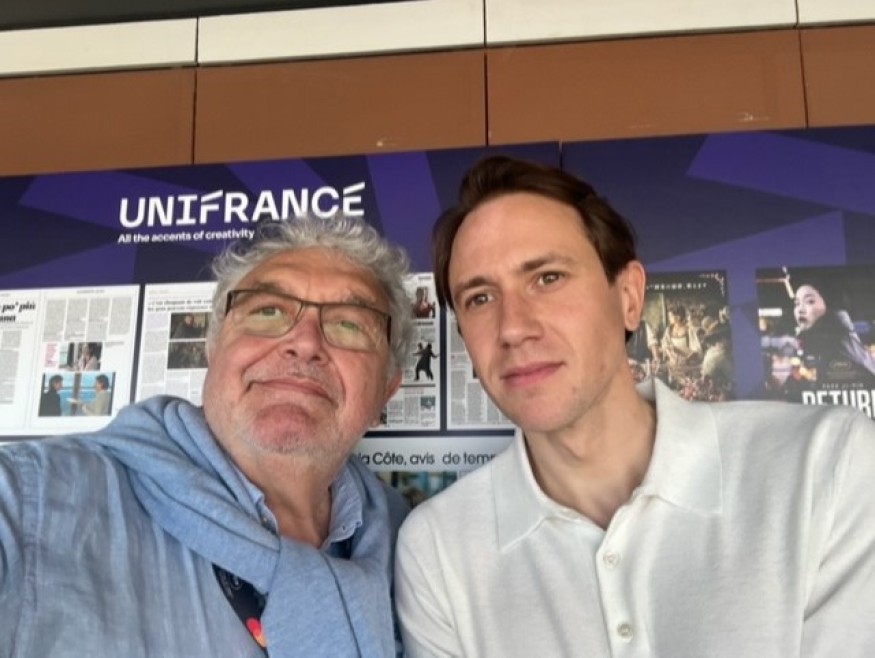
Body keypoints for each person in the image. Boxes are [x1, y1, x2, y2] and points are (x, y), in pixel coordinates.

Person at [394, 155, 875, 656]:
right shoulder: (437, 549)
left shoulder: (824, 465)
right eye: (479, 298)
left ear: (628, 297)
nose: (513, 327)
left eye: (548, 278)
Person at [0, 215, 414, 656]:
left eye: (350, 324)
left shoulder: (409, 545)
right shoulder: (29, 497)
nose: (305, 342)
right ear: (213, 348)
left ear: (386, 389)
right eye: (268, 311)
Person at [793, 277, 875, 384]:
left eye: (810, 301)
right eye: (797, 303)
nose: (800, 310)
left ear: (828, 303)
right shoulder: (815, 338)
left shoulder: (839, 326)